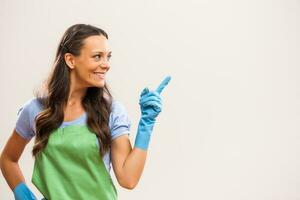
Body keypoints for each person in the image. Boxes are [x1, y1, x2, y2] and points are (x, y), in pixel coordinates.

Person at [0, 23, 171, 200]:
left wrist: (147, 124)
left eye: (108, 57)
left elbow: (128, 179)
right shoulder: (36, 110)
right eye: (97, 57)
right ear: (70, 60)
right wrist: (21, 192)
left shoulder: (111, 111)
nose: (106, 65)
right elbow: (8, 159)